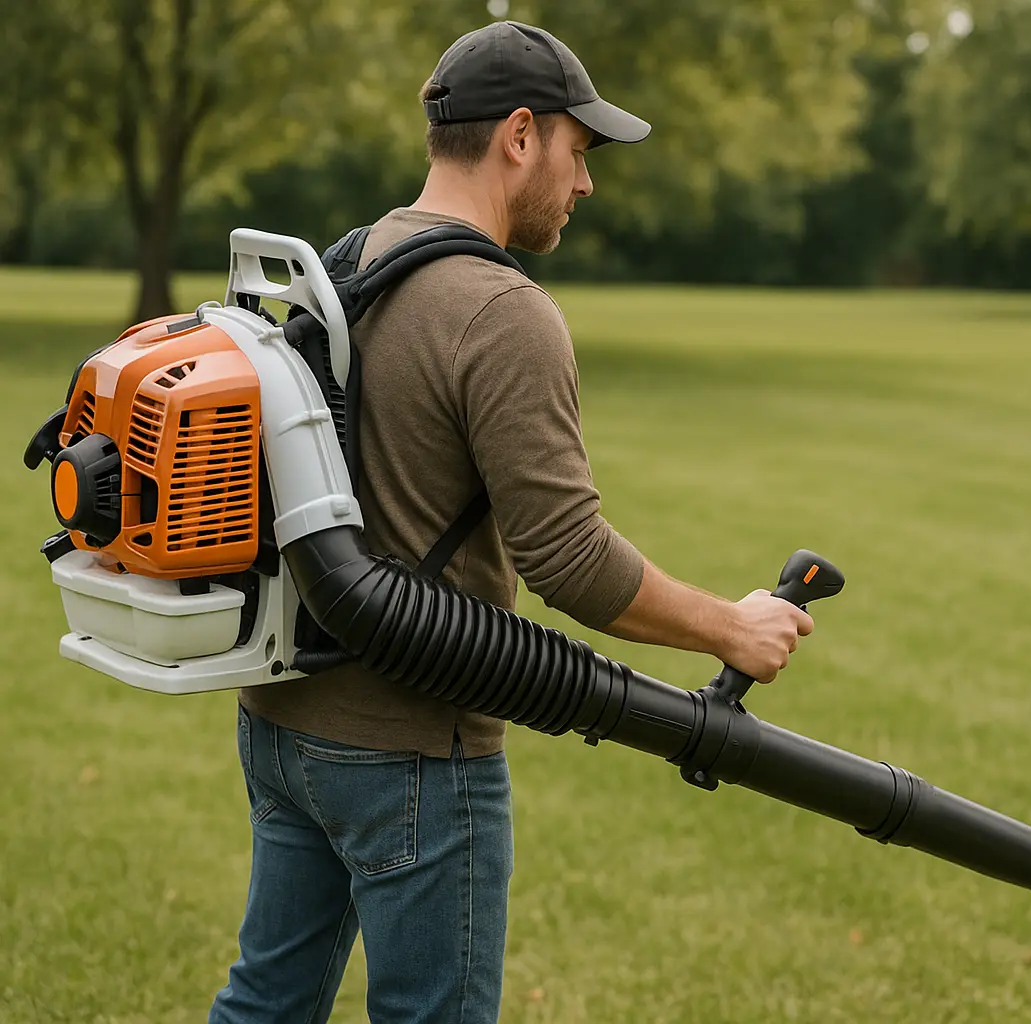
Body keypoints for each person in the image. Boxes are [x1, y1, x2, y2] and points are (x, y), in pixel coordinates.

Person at [209, 21, 813, 1024]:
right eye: (581, 153)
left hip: (285, 727)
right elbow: (566, 559)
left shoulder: (350, 259)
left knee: (265, 1004)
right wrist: (731, 625)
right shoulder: (503, 312)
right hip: (414, 752)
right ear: (520, 136)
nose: (585, 184)